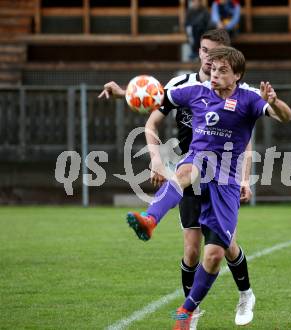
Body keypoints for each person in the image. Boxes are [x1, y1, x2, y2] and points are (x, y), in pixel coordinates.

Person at [124, 46, 291, 329]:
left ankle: (198, 306)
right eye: (213, 69)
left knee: (214, 256)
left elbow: (286, 116)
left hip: (226, 181)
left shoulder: (249, 99)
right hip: (198, 163)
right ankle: (150, 219)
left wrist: (274, 102)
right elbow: (160, 97)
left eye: (223, 70)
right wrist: (127, 93)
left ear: (237, 75)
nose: (215, 75)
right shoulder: (196, 92)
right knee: (186, 171)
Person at [99, 30, 258, 328]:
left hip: (223, 174)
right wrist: (156, 158)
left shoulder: (239, 90)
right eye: (205, 51)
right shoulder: (182, 84)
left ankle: (245, 293)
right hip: (191, 169)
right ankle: (190, 314)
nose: (210, 58)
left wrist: (245, 179)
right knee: (191, 249)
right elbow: (153, 111)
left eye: (216, 53)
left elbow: (247, 139)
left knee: (225, 247)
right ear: (198, 52)